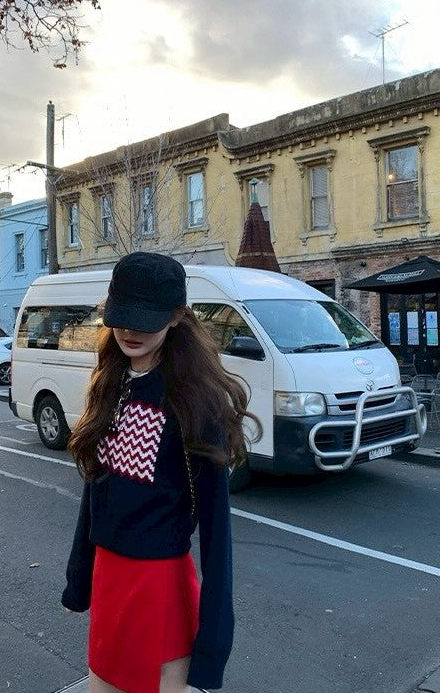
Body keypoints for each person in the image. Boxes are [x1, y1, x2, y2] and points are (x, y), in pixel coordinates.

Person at [61, 251, 261, 693]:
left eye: (145, 320)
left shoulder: (195, 403)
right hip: (109, 579)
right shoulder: (110, 384)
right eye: (122, 318)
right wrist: (79, 580)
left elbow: (217, 532)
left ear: (176, 318)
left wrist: (212, 648)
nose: (130, 331)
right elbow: (95, 492)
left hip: (159, 587)